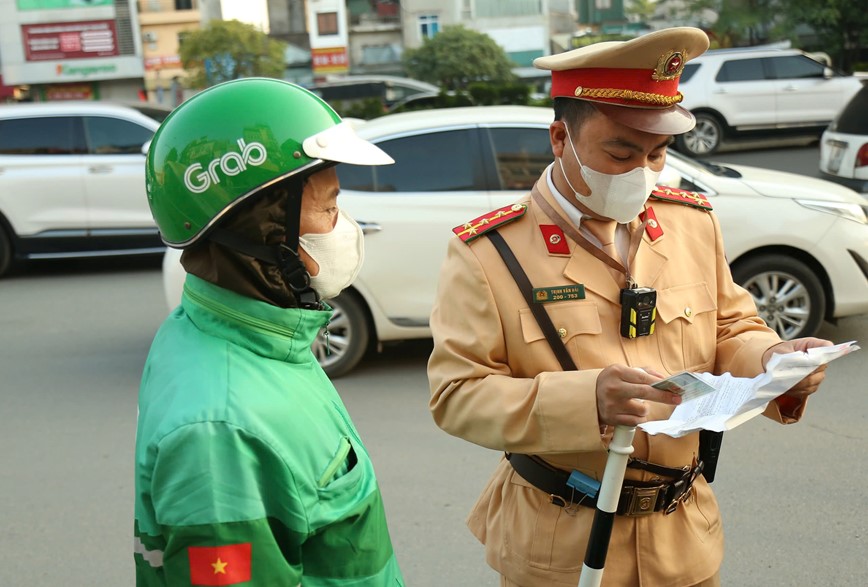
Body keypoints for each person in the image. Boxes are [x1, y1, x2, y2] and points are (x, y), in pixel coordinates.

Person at [427, 27, 832, 587]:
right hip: (563, 544)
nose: (641, 171)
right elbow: (456, 395)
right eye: (620, 152)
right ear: (560, 139)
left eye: (657, 154)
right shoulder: (490, 251)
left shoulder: (691, 223)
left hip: (681, 535)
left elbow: (733, 326)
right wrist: (585, 400)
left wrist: (774, 362)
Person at [134, 78, 405, 586]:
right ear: (261, 227)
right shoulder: (220, 431)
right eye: (327, 208)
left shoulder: (260, 340)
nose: (345, 226)